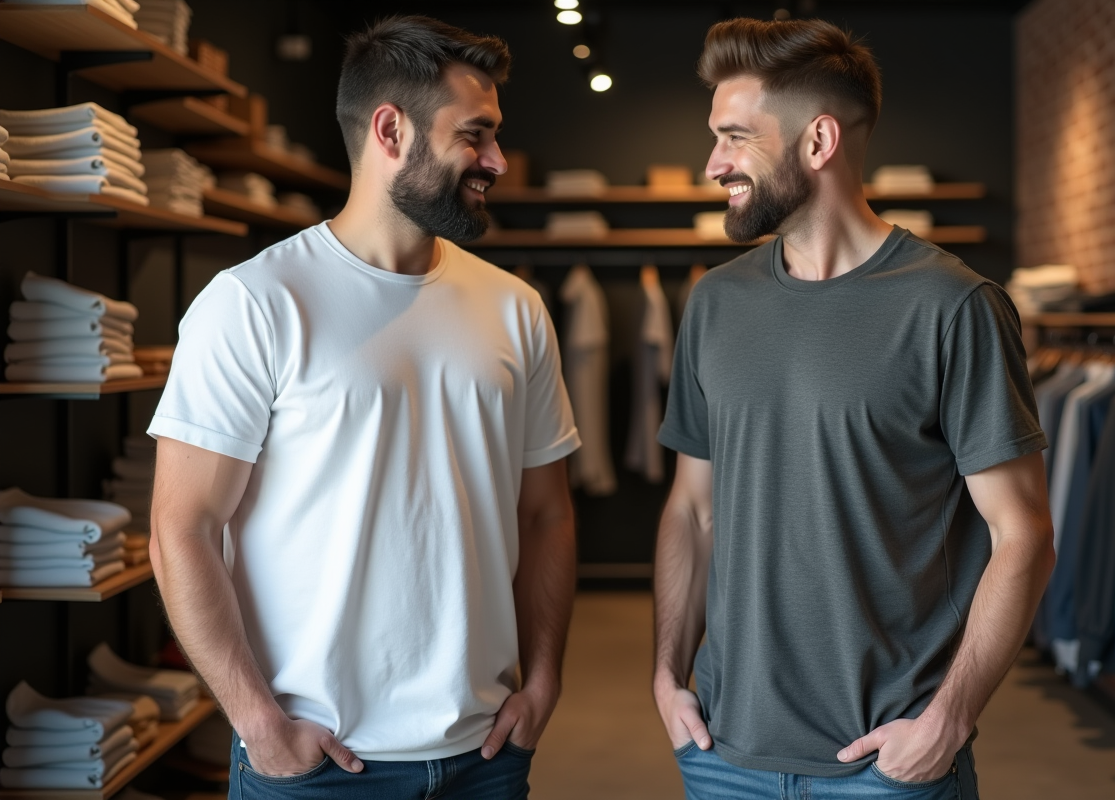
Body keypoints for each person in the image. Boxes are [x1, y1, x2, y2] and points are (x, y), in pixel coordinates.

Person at [148, 15, 580, 800]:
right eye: (475, 136)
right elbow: (181, 529)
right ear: (391, 129)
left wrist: (544, 681)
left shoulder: (517, 309)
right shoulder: (255, 303)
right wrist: (257, 723)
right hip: (317, 763)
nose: (497, 161)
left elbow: (546, 515)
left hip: (485, 755)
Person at [653, 17, 1055, 800]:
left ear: (818, 141)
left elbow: (1024, 533)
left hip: (886, 763)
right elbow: (691, 510)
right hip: (721, 753)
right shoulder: (715, 303)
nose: (713, 164)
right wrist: (668, 678)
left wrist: (948, 718)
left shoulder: (953, 307)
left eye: (734, 138)